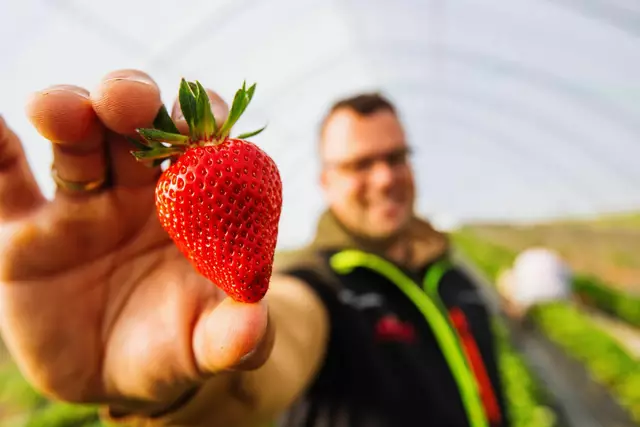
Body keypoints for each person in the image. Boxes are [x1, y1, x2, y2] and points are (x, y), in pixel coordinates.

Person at [0, 68, 509, 427]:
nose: (385, 177)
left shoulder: (456, 277)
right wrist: (180, 395)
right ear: (325, 182)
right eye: (360, 164)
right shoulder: (318, 286)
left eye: (396, 157)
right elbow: (272, 353)